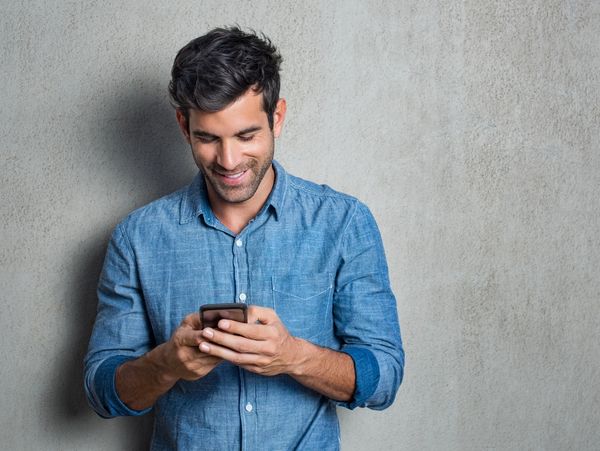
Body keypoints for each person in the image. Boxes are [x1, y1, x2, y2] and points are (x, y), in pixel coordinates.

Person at [84, 26, 404, 450]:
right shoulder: (137, 238)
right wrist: (166, 364)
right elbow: (102, 392)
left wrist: (293, 356)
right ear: (184, 126)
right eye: (208, 138)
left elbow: (384, 377)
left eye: (246, 135)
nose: (229, 160)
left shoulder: (344, 223)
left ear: (277, 118)